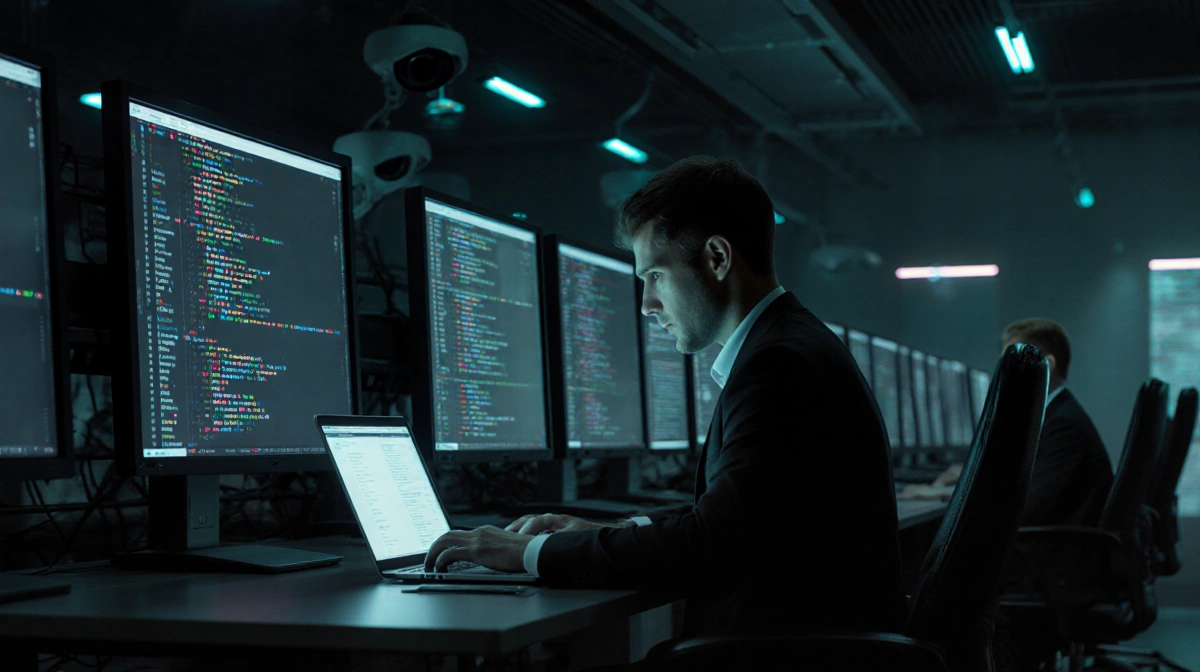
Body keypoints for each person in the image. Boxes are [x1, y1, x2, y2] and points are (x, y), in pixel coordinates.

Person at [424, 156, 908, 638]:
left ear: (718, 258)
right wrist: (605, 533)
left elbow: (712, 543)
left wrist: (527, 553)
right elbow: (731, 517)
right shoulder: (790, 344)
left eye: (655, 275)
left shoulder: (777, 365)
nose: (646, 305)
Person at [900, 318, 1114, 527]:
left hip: (1051, 553)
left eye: (1013, 364)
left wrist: (947, 493)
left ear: (1047, 366)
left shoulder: (1064, 424)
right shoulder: (1056, 414)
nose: (1003, 374)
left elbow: (1026, 509)